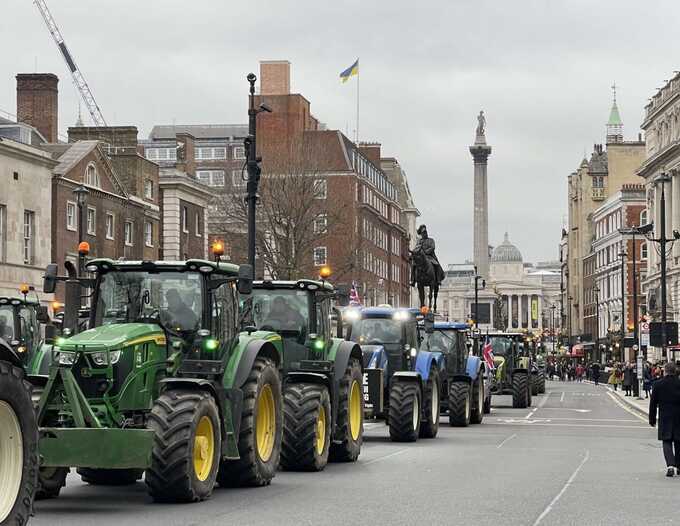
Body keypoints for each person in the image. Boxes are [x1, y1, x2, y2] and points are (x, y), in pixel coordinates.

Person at [649, 362, 680, 477]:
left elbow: (653, 404)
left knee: (666, 441)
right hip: (678, 416)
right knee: (678, 441)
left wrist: (652, 419)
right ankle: (679, 466)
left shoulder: (658, 384)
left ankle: (670, 466)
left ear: (665, 371)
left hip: (665, 416)